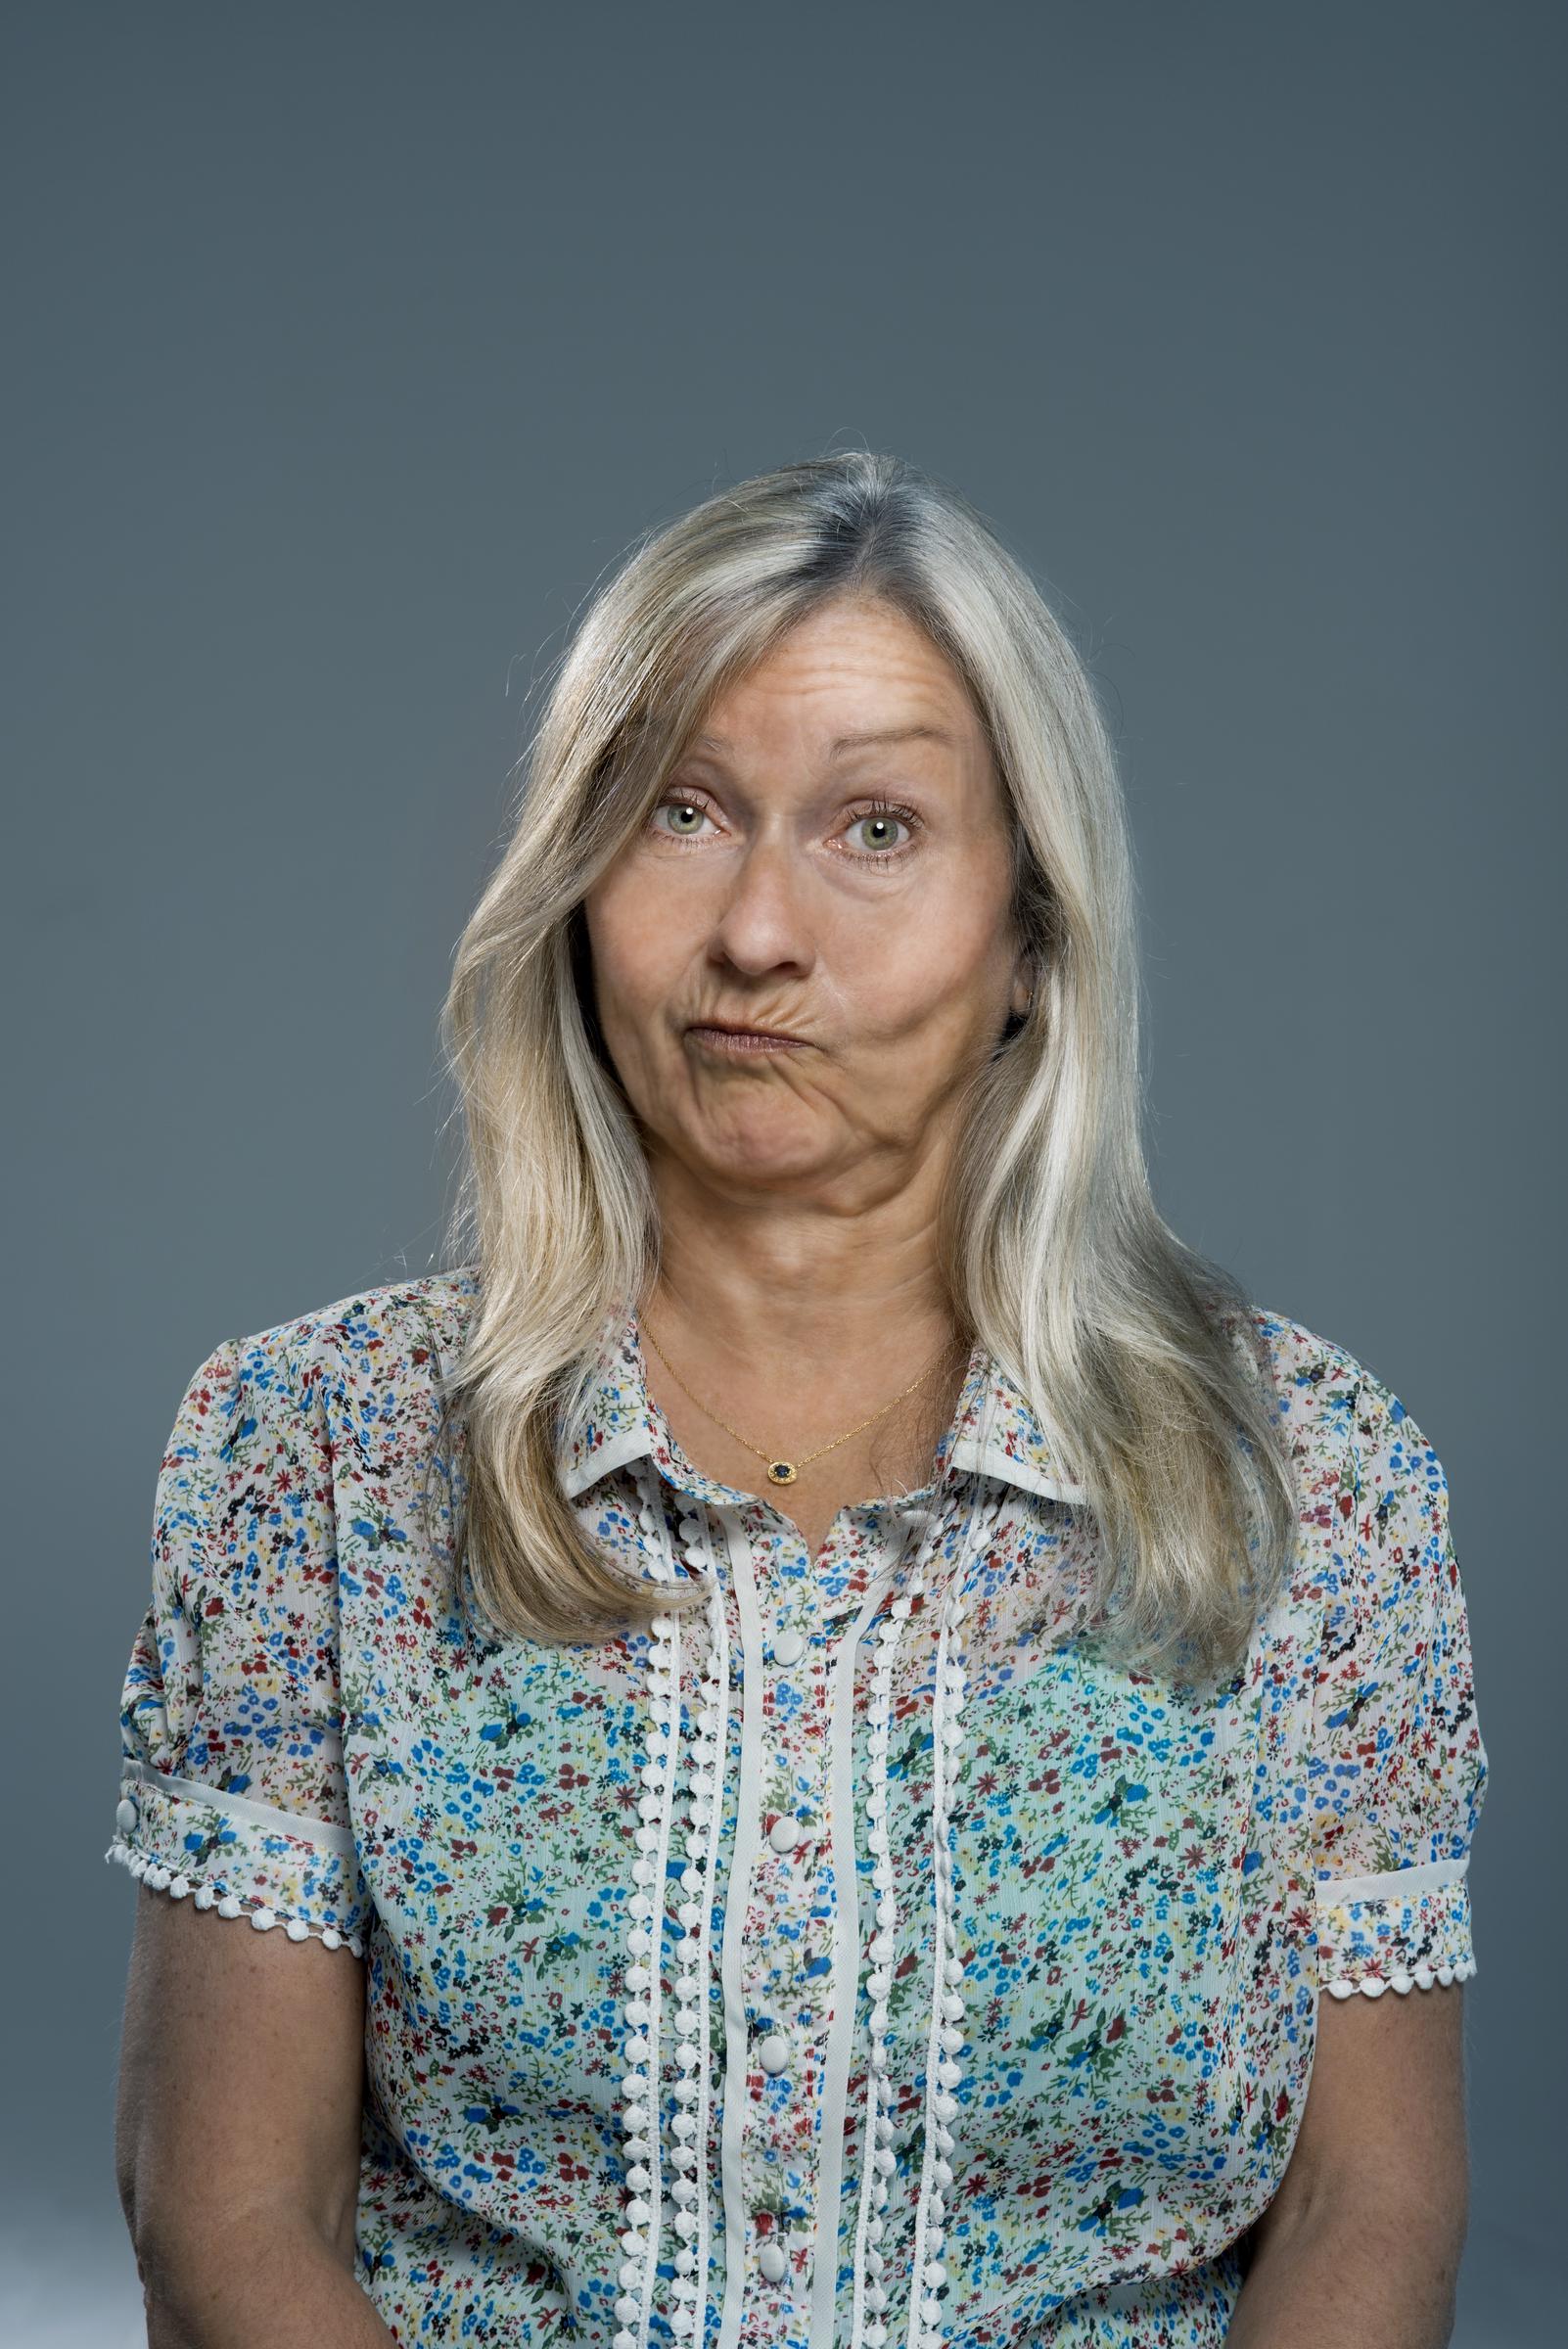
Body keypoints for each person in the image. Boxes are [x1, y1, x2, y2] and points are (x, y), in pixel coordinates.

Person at [108, 450, 1488, 2349]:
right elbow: (227, 2218)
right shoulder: (314, 1450)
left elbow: (1372, 2208)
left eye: (877, 831)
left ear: (1031, 937)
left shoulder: (1316, 1481)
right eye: (682, 811)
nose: (757, 932)